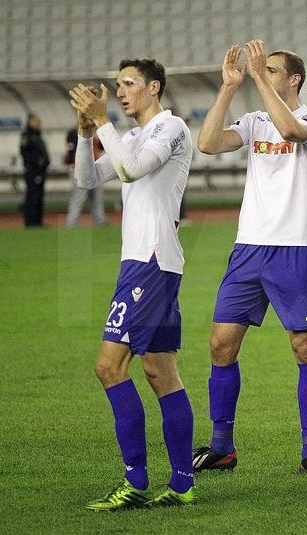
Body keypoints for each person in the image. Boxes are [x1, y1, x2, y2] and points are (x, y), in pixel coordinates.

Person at [193, 42, 307, 474]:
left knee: (304, 346)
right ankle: (222, 447)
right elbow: (208, 143)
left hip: (295, 249)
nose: (263, 71)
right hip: (248, 249)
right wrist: (228, 87)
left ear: (294, 79)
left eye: (272, 69)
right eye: (263, 67)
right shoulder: (254, 122)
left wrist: (256, 78)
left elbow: (291, 132)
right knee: (220, 344)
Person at [69, 57, 196, 509]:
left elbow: (130, 171)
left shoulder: (171, 127)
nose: (119, 92)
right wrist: (88, 132)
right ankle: (183, 485)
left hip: (150, 261)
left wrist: (103, 121)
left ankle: (137, 480)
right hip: (149, 263)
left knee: (109, 367)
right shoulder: (138, 135)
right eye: (117, 85)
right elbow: (88, 179)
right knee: (160, 372)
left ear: (153, 87)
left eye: (128, 84)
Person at [66, 126, 107, 227]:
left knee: (97, 198)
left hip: (95, 167)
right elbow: (71, 150)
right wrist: (69, 163)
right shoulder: (74, 133)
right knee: (78, 197)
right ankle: (72, 222)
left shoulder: (96, 134)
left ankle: (100, 221)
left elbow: (102, 146)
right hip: (81, 168)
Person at [19, 113, 49, 227]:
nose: (38, 124)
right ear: (30, 122)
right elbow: (24, 152)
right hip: (32, 170)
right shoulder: (26, 136)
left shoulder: (38, 135)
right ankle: (30, 221)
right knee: (32, 195)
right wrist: (34, 162)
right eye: (35, 121)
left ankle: (38, 221)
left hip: (41, 171)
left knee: (39, 196)